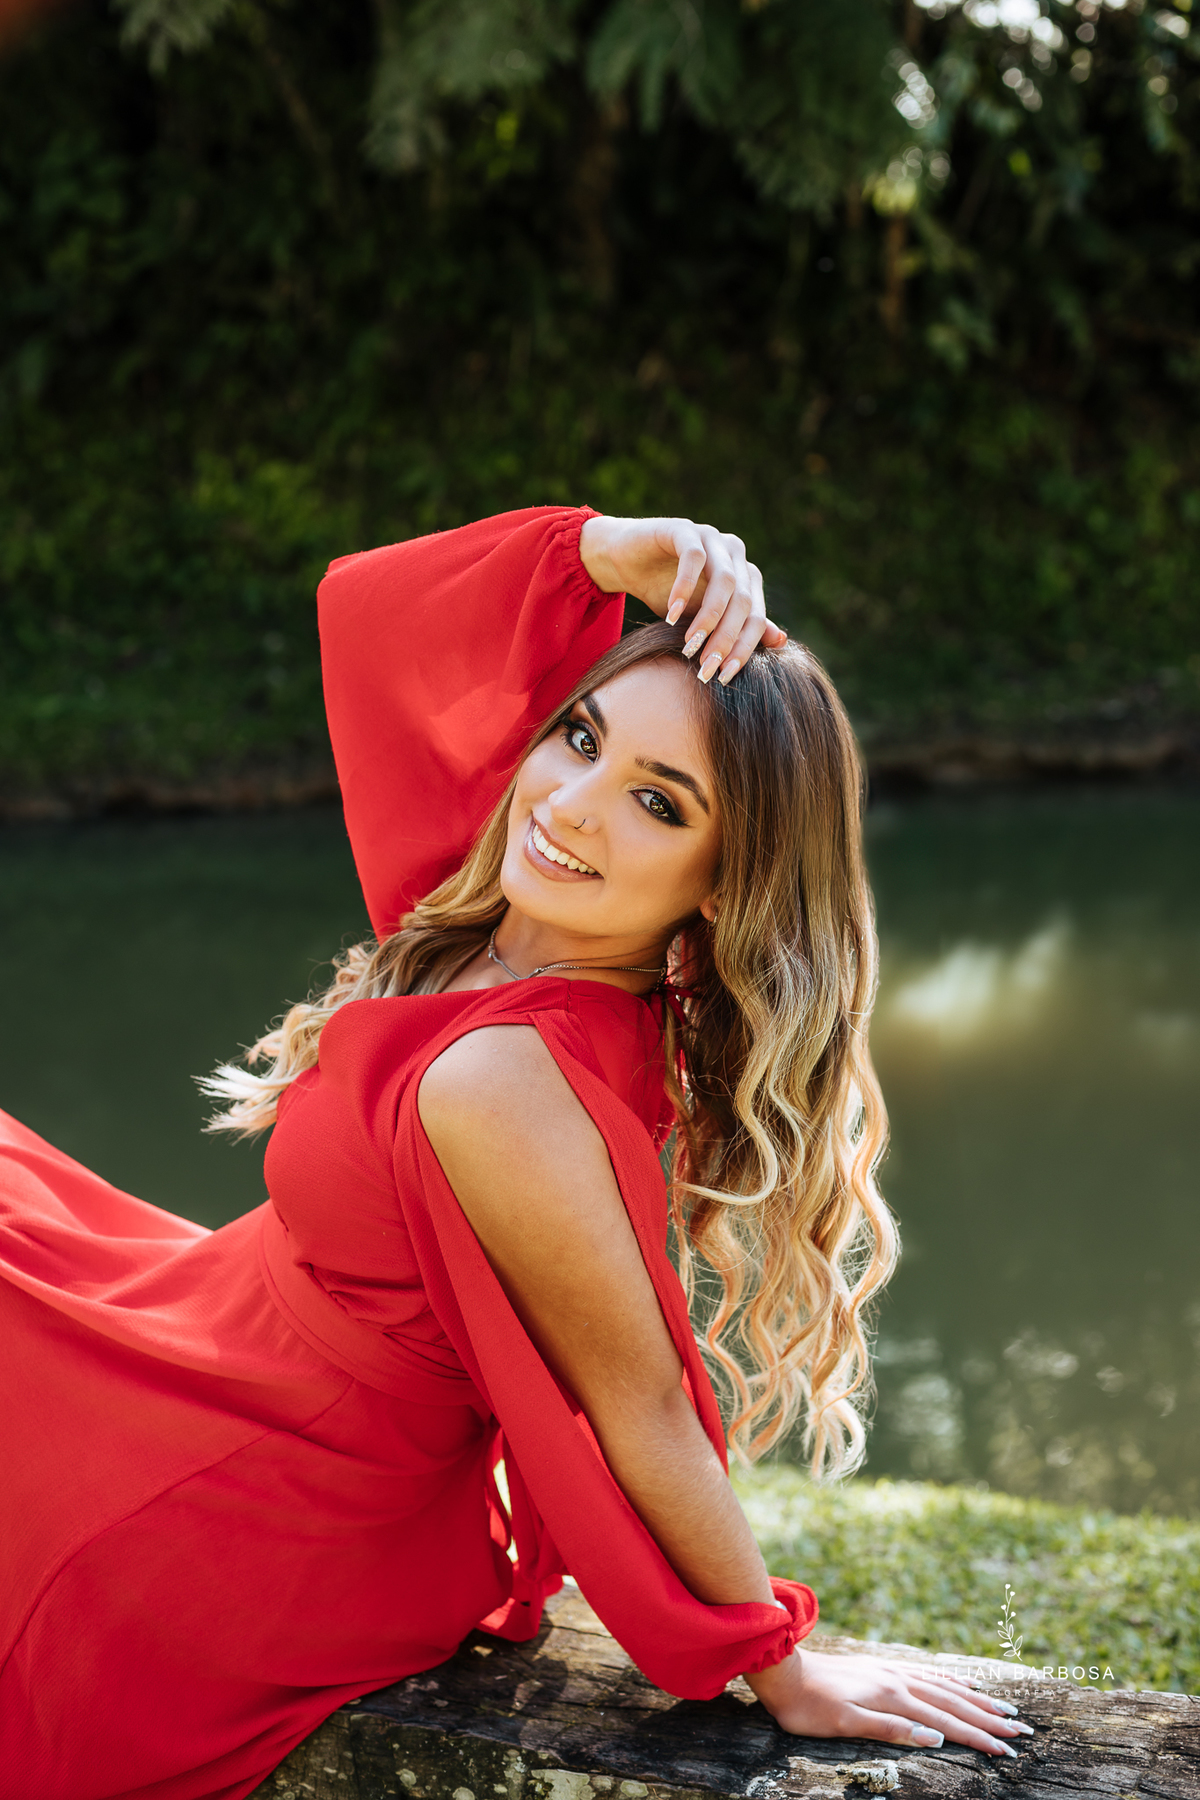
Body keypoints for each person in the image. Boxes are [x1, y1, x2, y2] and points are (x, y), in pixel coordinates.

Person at [0, 506, 1030, 1799]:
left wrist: (778, 1659)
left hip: (258, 1491)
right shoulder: (507, 919)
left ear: (721, 880)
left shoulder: (504, 1078)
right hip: (208, 1334)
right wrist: (606, 550)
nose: (571, 807)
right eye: (579, 735)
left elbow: (641, 1404)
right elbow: (370, 617)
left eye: (659, 804)